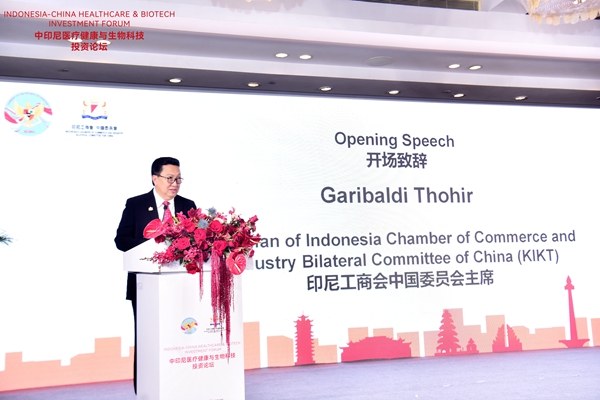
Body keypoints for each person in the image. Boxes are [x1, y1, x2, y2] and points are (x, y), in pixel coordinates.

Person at [114, 156, 196, 393]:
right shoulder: (136, 204)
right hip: (145, 285)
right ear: (154, 178)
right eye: (169, 178)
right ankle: (146, 391)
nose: (175, 184)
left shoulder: (188, 205)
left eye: (178, 179)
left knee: (181, 338)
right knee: (148, 341)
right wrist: (153, 244)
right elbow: (121, 240)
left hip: (181, 285)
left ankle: (181, 389)